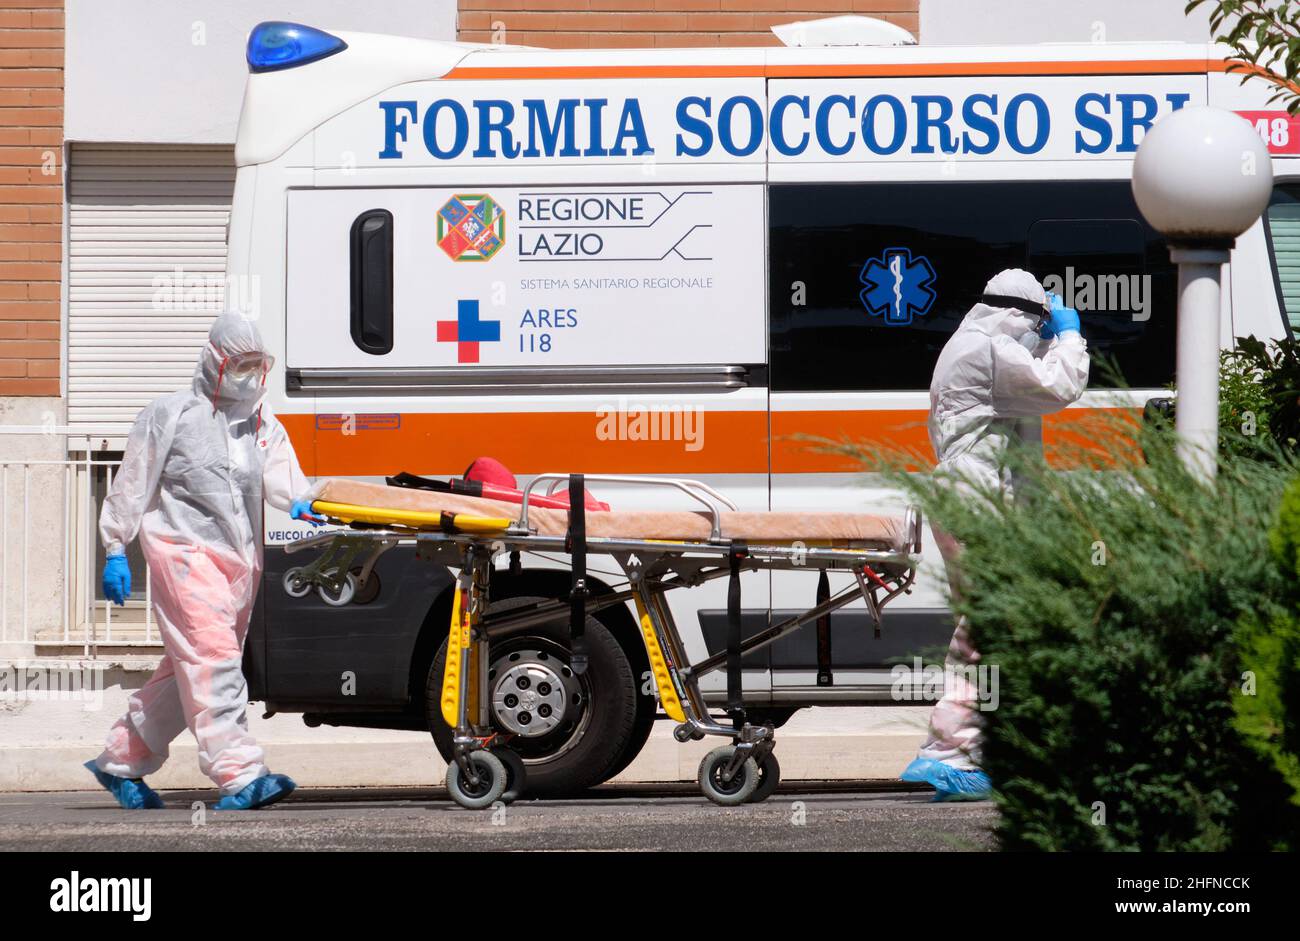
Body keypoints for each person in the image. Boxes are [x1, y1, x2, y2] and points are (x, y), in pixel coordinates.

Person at [87, 312, 324, 810]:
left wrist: (304, 500)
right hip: (182, 555)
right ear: (217, 359)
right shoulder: (170, 414)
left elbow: (284, 477)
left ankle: (120, 761)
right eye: (241, 362)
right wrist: (115, 548)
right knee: (214, 661)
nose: (249, 373)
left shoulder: (262, 420)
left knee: (186, 669)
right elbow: (133, 483)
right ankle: (239, 772)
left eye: (257, 363)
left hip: (240, 562)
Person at [902, 269, 1089, 801]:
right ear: (1016, 317)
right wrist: (1070, 334)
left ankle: (966, 751)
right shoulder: (990, 349)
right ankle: (949, 752)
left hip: (964, 499)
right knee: (982, 633)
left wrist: (1050, 336)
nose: (1038, 337)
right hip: (976, 503)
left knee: (982, 630)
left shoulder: (969, 343)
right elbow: (1061, 384)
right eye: (1037, 326)